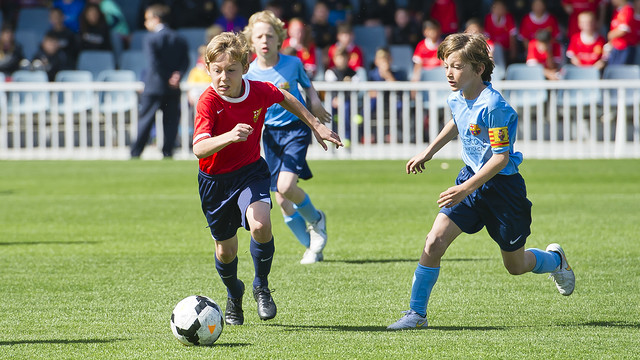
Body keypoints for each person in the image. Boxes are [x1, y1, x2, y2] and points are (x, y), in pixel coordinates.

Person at [387, 32, 575, 330]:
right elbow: (457, 122)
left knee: (515, 266)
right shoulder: (456, 97)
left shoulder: (494, 106)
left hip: (503, 189)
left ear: (479, 69)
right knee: (434, 240)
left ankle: (555, 260)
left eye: (457, 66)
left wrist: (465, 188)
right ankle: (416, 314)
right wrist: (429, 151)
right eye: (447, 65)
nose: (449, 72)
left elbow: (500, 158)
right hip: (471, 181)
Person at [192, 31, 342, 325]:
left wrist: (314, 124)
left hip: (250, 172)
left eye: (231, 70)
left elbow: (284, 95)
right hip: (215, 183)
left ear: (245, 69)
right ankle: (235, 293)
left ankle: (261, 285)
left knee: (260, 224)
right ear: (208, 68)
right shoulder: (207, 101)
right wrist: (229, 136)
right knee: (226, 251)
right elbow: (198, 147)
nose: (224, 77)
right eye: (217, 70)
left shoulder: (257, 90)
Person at [243, 10, 335, 265]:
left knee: (285, 187)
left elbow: (308, 87)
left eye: (269, 36)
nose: (264, 41)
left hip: (296, 129)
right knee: (282, 200)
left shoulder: (293, 64)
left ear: (279, 39)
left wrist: (315, 105)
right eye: (259, 36)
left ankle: (316, 221)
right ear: (251, 41)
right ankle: (312, 247)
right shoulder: (248, 73)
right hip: (270, 135)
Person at [130, 4, 189, 159]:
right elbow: (185, 61)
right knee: (170, 122)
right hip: (173, 88)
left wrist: (168, 76)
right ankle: (168, 152)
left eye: (147, 19)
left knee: (145, 121)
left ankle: (136, 152)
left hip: (154, 87)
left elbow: (153, 63)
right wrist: (177, 76)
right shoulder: (179, 37)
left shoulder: (150, 38)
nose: (145, 23)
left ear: (155, 19)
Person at [606, 0, 637, 65]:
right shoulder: (618, 10)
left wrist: (610, 35)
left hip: (624, 48)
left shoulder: (628, 10)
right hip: (616, 47)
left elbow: (623, 30)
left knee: (621, 71)